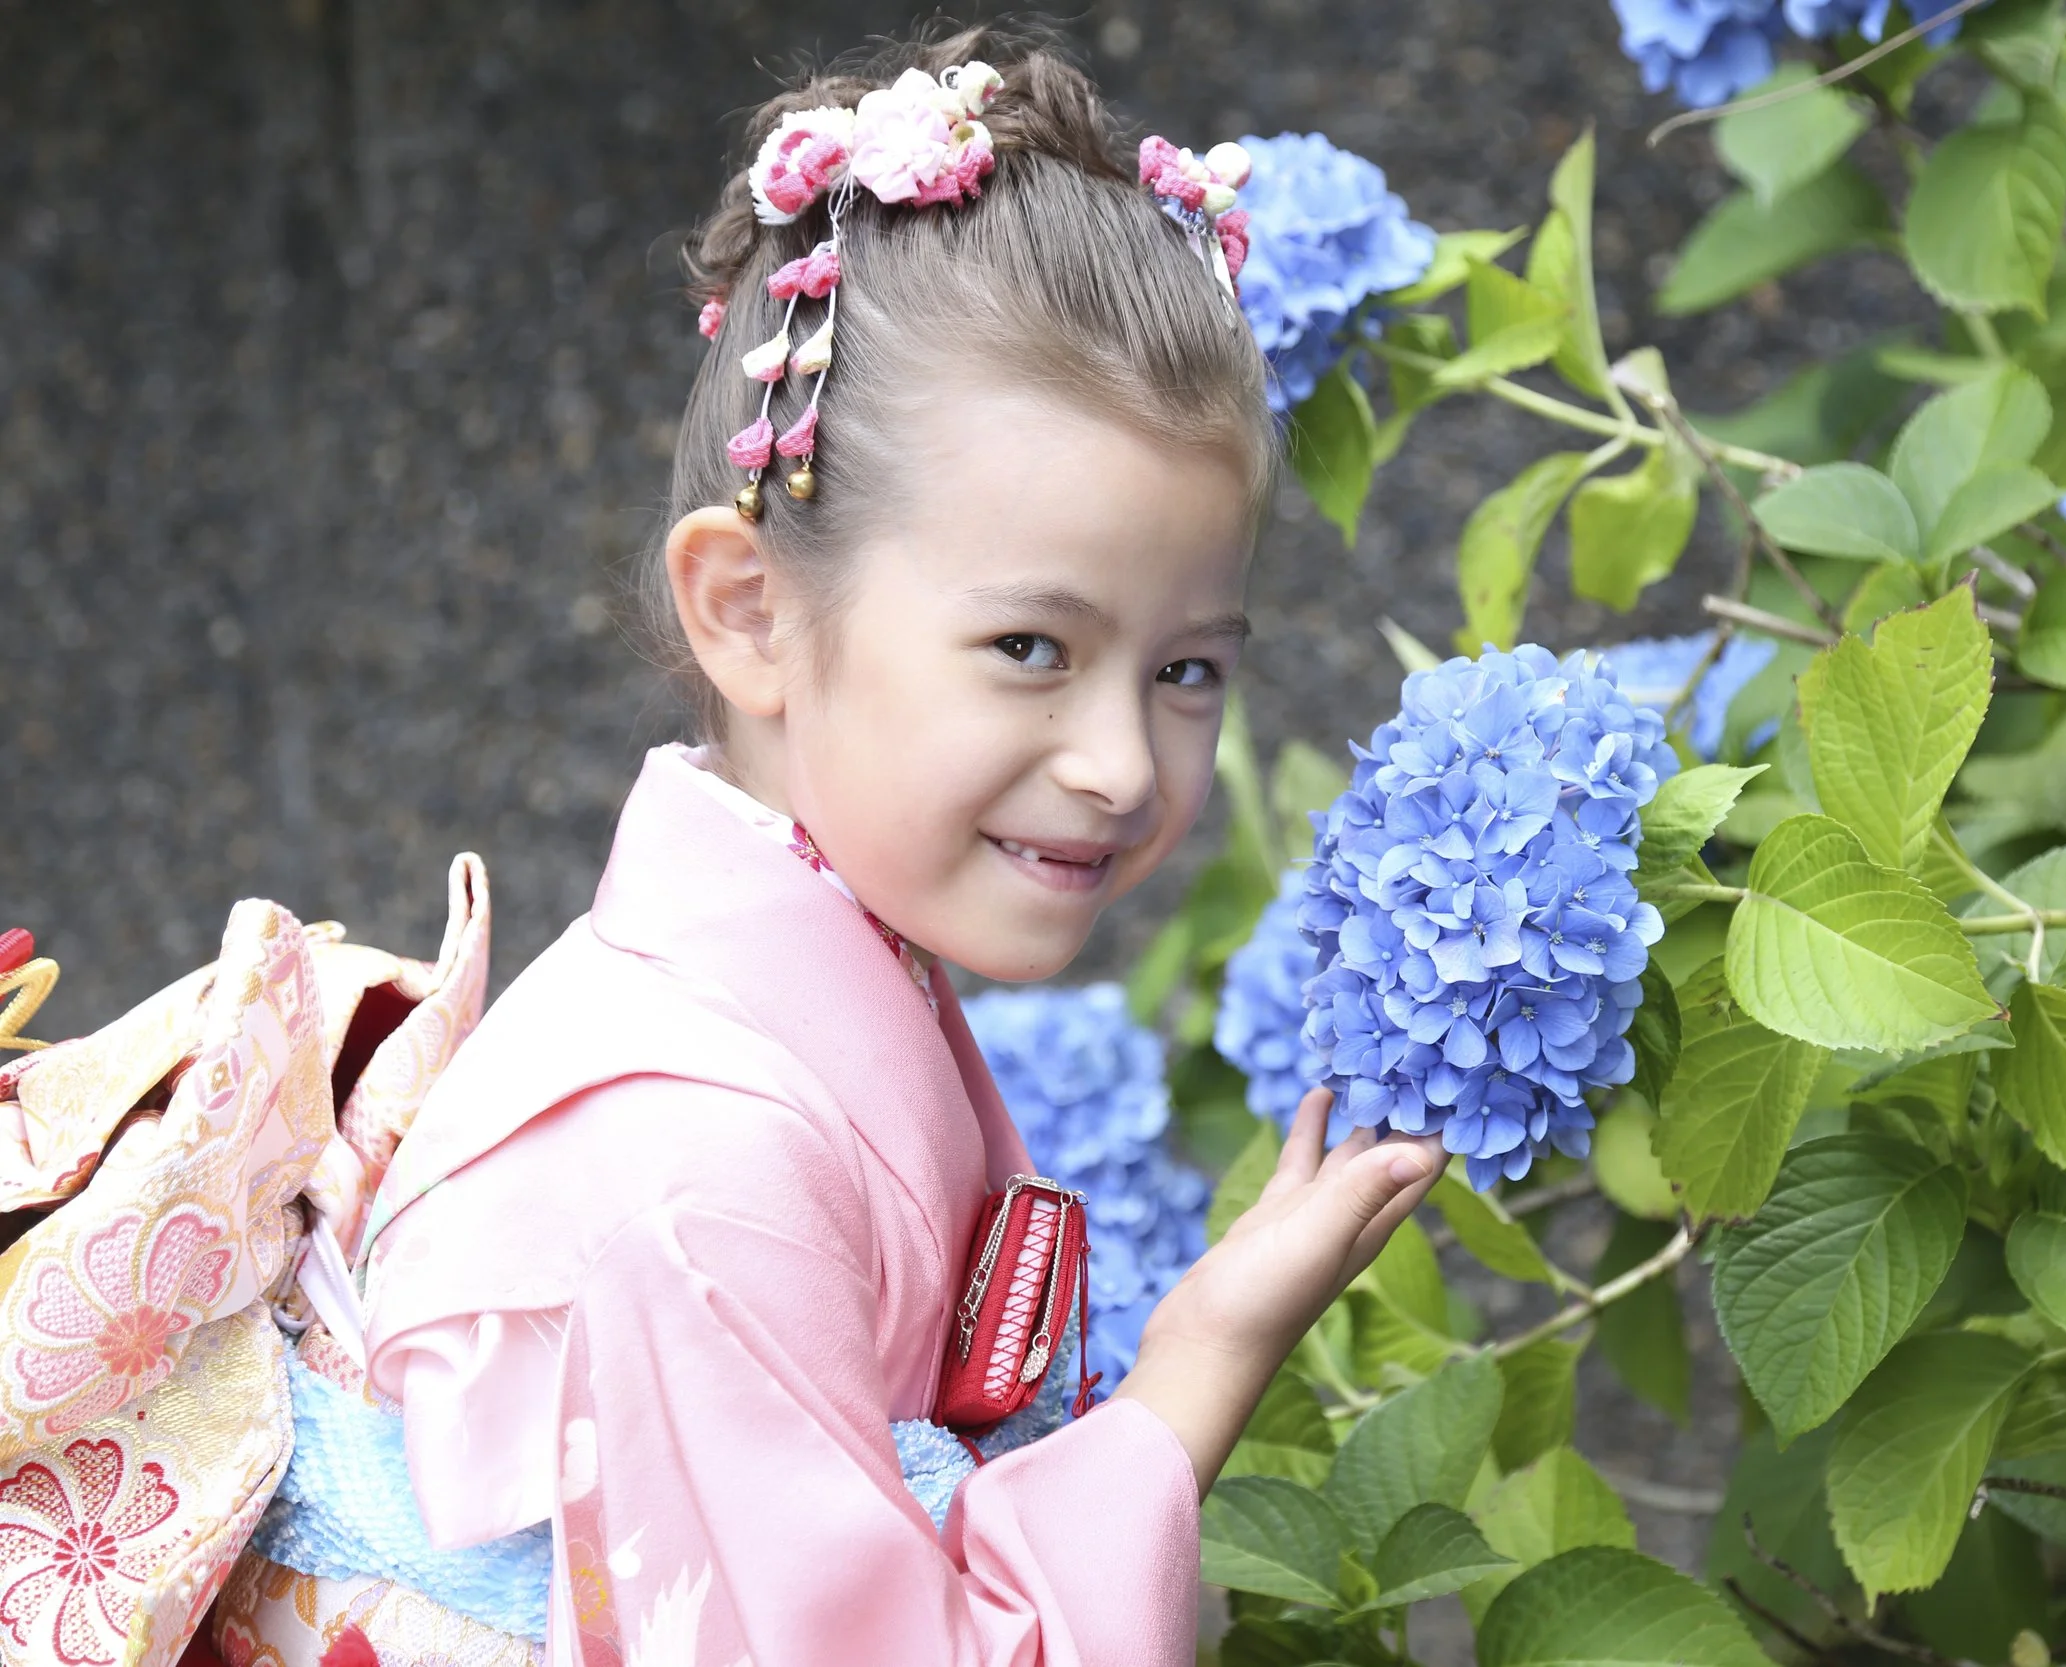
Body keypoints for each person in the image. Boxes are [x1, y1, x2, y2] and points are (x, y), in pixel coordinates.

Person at [218, 24, 1445, 1667]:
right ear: (751, 611)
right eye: (1030, 647)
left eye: (1186, 670)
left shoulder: (753, 1024)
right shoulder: (698, 1166)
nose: (1116, 763)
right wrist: (1200, 1362)